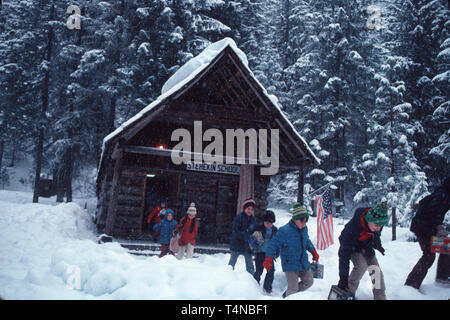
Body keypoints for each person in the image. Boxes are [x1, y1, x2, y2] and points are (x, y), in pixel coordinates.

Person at [263, 203, 319, 298]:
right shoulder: (284, 231)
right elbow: (273, 245)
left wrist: (313, 251)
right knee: (293, 288)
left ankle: (287, 295)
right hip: (290, 264)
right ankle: (291, 295)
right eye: (302, 221)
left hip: (303, 262)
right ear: (295, 219)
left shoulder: (304, 228)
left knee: (309, 281)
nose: (304, 224)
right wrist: (268, 258)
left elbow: (307, 241)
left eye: (306, 221)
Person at [337, 201, 388, 300]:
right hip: (352, 247)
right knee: (361, 265)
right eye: (377, 225)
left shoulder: (377, 224)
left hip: (366, 246)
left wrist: (378, 245)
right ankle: (348, 292)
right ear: (369, 219)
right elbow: (344, 256)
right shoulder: (352, 229)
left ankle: (380, 297)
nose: (379, 228)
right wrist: (343, 279)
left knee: (375, 270)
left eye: (381, 226)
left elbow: (376, 235)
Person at [405, 177, 450, 289]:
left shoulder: (444, 194)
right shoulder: (442, 195)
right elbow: (431, 212)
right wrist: (439, 226)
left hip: (428, 227)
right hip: (423, 227)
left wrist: (439, 226)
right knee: (429, 255)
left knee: (446, 249)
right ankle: (411, 284)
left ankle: (443, 278)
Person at [250, 210, 278, 294]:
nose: (268, 225)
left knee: (271, 271)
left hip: (269, 254)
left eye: (271, 223)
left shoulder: (275, 230)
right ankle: (254, 287)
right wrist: (254, 244)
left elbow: (277, 243)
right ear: (263, 221)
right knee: (259, 271)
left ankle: (267, 288)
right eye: (267, 222)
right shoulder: (258, 228)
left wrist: (276, 253)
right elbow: (252, 240)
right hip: (260, 253)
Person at [228, 198, 257, 275]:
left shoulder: (253, 220)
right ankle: (227, 275)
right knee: (232, 263)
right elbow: (235, 230)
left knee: (250, 264)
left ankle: (251, 279)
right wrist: (244, 236)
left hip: (247, 246)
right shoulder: (239, 217)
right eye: (248, 209)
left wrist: (254, 244)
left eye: (251, 209)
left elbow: (255, 232)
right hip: (236, 243)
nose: (249, 211)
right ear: (244, 209)